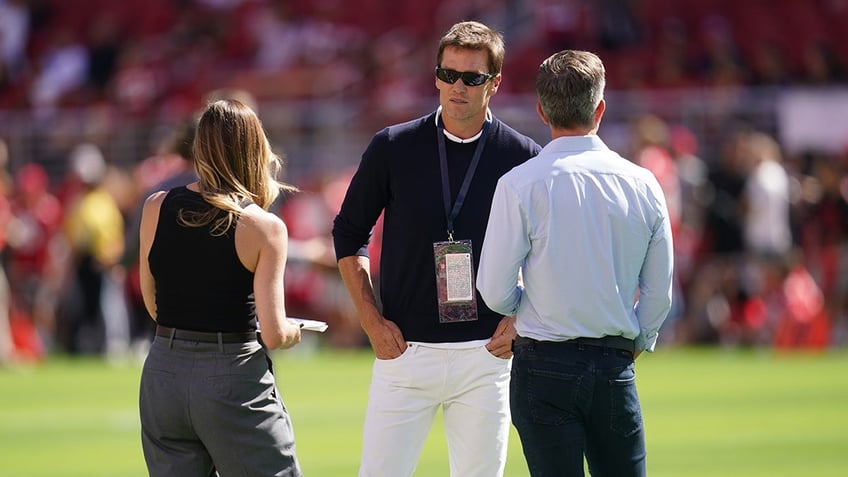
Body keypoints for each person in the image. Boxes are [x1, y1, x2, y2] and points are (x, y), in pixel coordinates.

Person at [332, 20, 542, 477]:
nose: (457, 87)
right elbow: (348, 233)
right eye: (448, 74)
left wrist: (522, 318)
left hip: (486, 354)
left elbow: (548, 251)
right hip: (404, 350)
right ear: (436, 77)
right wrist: (370, 320)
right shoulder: (392, 146)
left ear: (495, 83)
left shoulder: (523, 156)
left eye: (472, 77)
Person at [477, 49, 674, 476]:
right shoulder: (643, 183)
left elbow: (493, 290)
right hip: (613, 361)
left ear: (541, 111)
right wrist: (638, 341)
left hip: (543, 362)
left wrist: (527, 307)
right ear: (600, 108)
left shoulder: (519, 183)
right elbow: (659, 292)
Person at [138, 99, 304, 477]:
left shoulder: (156, 206)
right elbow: (274, 334)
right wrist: (293, 331)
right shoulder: (264, 226)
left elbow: (153, 302)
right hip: (231, 372)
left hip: (163, 369)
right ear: (255, 149)